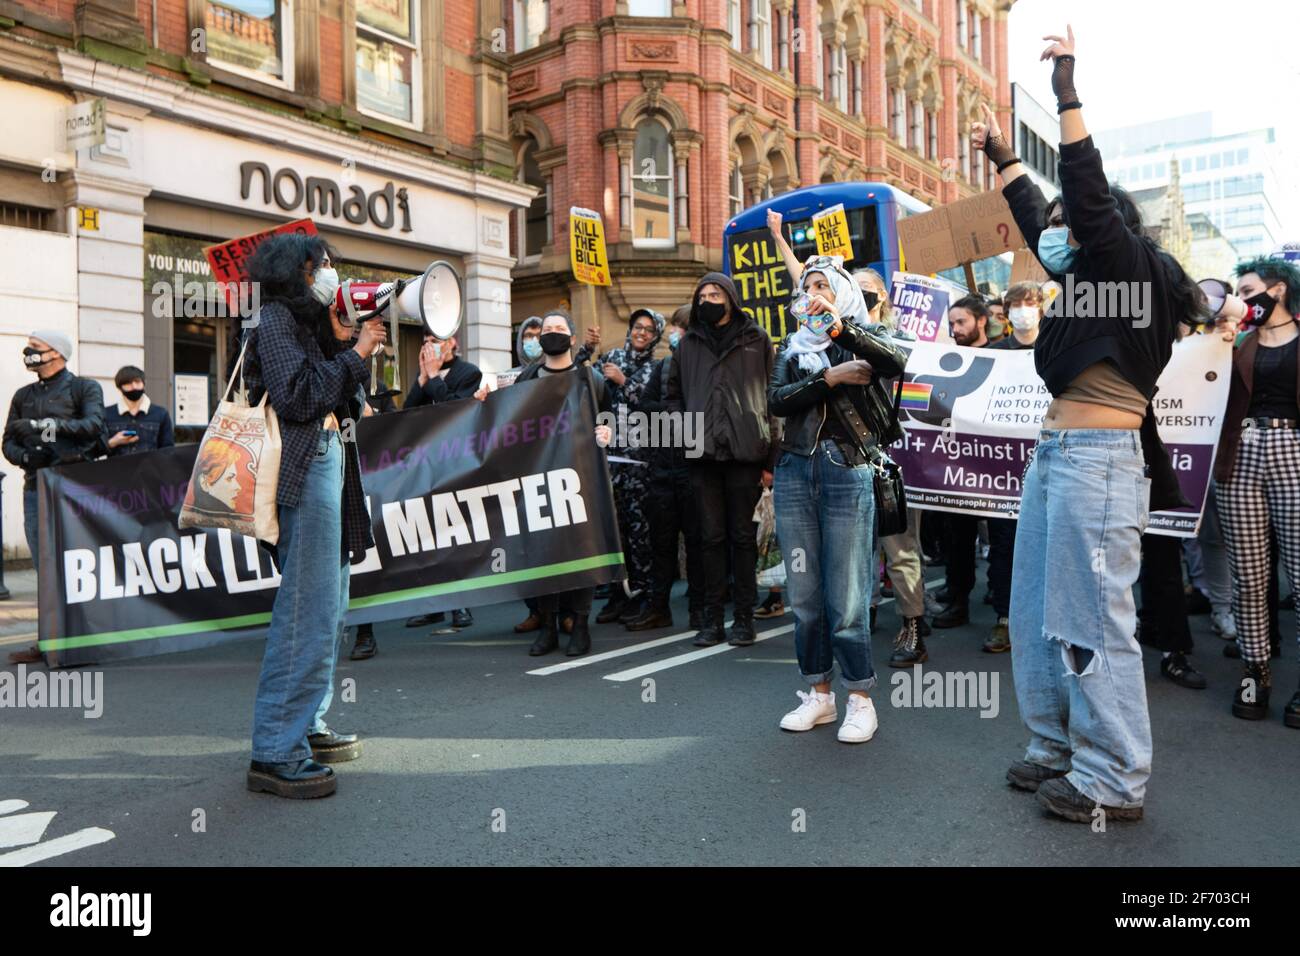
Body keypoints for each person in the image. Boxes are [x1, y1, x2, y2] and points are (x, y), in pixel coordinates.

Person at [974, 25, 1210, 823]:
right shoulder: (1083, 278)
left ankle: (1114, 778)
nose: (1052, 238)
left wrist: (1067, 90)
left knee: (1091, 619)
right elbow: (1038, 205)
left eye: (1068, 228)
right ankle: (1057, 748)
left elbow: (1081, 183)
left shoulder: (1125, 266)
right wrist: (1001, 156)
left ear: (1102, 229)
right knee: (1039, 605)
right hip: (1057, 455)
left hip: (1099, 458)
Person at [239, 234, 387, 799]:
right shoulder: (272, 319)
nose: (331, 272)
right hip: (303, 469)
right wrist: (353, 354)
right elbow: (300, 398)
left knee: (330, 607)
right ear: (296, 270)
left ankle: (308, 723)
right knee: (306, 611)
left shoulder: (311, 324)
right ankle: (276, 750)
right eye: (322, 264)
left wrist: (350, 346)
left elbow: (347, 399)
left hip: (333, 465)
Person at [768, 256, 908, 742]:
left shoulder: (867, 335)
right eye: (808, 287)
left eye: (824, 285)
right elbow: (776, 401)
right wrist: (826, 378)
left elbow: (895, 363)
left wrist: (840, 330)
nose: (814, 294)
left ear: (844, 293)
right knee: (805, 595)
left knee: (848, 594)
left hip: (847, 468)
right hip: (794, 468)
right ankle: (818, 695)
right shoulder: (791, 345)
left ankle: (860, 699)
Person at [668, 273, 779, 648]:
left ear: (730, 298)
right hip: (703, 456)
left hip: (747, 454)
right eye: (702, 295)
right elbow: (672, 396)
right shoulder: (687, 346)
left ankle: (744, 619)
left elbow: (773, 397)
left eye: (715, 293)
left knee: (743, 538)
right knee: (709, 539)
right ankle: (712, 620)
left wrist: (771, 457)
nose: (708, 300)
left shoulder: (757, 339)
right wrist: (684, 435)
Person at [1212, 255, 1300, 727]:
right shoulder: (1236, 343)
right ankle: (1255, 670)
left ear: (1279, 289)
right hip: (1241, 453)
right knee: (1249, 575)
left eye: (1247, 291)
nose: (1242, 300)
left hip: (1294, 451)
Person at [3, 330, 104, 664]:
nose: (30, 352)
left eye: (37, 347)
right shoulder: (22, 394)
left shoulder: (84, 388)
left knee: (78, 563)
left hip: (73, 486)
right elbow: (8, 441)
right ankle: (48, 642)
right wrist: (26, 457)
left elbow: (92, 426)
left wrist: (39, 425)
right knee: (44, 567)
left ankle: (86, 639)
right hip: (35, 487)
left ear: (57, 353)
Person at [518, 308, 613, 657]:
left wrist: (607, 430)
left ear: (572, 339)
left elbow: (608, 415)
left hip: (581, 477)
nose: (552, 333)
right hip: (540, 476)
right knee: (547, 553)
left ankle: (581, 625)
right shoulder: (528, 379)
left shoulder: (591, 379)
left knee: (583, 552)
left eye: (560, 328)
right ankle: (548, 627)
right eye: (547, 328)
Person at [854, 268, 931, 660]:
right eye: (854, 290)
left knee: (899, 547)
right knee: (853, 548)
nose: (861, 297)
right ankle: (857, 617)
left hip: (891, 461)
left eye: (868, 291)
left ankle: (912, 626)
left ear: (882, 297)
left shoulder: (904, 343)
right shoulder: (834, 340)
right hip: (849, 459)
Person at [627, 305, 705, 631]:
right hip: (661, 467)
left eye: (680, 327)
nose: (675, 333)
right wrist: (676, 409)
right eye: (674, 327)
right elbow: (643, 407)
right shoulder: (663, 368)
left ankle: (702, 609)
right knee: (661, 543)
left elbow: (703, 410)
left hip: (695, 468)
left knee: (699, 543)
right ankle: (658, 608)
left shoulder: (705, 369)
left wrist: (673, 411)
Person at [402, 332, 483, 631]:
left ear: (454, 343)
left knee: (455, 535)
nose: (431, 345)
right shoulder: (426, 374)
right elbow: (407, 413)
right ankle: (431, 605)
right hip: (427, 464)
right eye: (425, 339)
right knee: (428, 535)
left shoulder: (469, 373)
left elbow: (454, 410)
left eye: (438, 339)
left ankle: (460, 604)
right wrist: (423, 380)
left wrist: (435, 376)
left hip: (455, 462)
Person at [592, 309, 665, 626]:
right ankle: (616, 595)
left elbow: (651, 404)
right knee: (612, 532)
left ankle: (643, 595)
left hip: (639, 463)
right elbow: (589, 390)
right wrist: (589, 356)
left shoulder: (656, 368)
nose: (642, 333)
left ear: (655, 337)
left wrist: (623, 382)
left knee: (640, 535)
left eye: (649, 330)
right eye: (638, 327)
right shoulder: (610, 357)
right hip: (609, 460)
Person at [982, 282, 1043, 653]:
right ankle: (1004, 618)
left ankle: (1044, 618)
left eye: (1030, 302)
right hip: (1003, 468)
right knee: (1005, 545)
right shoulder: (994, 354)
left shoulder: (1056, 346)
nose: (1023, 309)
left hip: (1048, 459)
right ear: (1006, 311)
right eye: (1016, 304)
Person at [930, 295, 992, 631]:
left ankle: (1003, 604)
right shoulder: (948, 359)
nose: (955, 330)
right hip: (959, 466)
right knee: (958, 537)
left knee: (1002, 538)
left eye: (961, 322)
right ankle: (958, 598)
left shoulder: (1006, 354)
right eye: (951, 324)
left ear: (981, 321)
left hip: (996, 469)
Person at [100, 366, 175, 457]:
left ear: (144, 383)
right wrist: (113, 442)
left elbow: (168, 450)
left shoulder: (161, 414)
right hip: (117, 470)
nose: (134, 387)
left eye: (137, 382)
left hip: (150, 470)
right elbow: (95, 450)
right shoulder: (107, 414)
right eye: (128, 383)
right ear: (120, 388)